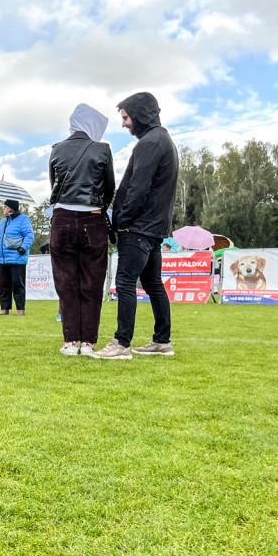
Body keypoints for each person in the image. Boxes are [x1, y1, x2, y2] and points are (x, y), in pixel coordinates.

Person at [92, 92, 179, 360]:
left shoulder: (151, 143)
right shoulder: (163, 140)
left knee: (126, 282)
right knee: (153, 283)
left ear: (140, 114)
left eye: (127, 117)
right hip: (153, 228)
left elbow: (138, 188)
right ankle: (162, 341)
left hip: (139, 227)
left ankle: (121, 344)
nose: (124, 124)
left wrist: (123, 221)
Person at [49, 103, 115, 355]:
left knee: (66, 283)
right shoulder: (102, 149)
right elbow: (109, 187)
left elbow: (54, 186)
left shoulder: (57, 149)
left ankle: (69, 341)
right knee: (92, 282)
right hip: (93, 219)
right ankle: (88, 341)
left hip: (62, 219)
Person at [0, 199, 34, 316]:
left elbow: (29, 235)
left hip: (17, 258)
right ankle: (4, 308)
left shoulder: (24, 219)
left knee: (18, 284)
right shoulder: (3, 222)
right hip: (3, 259)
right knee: (4, 285)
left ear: (11, 208)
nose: (3, 208)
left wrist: (22, 249)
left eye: (5, 206)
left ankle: (20, 309)